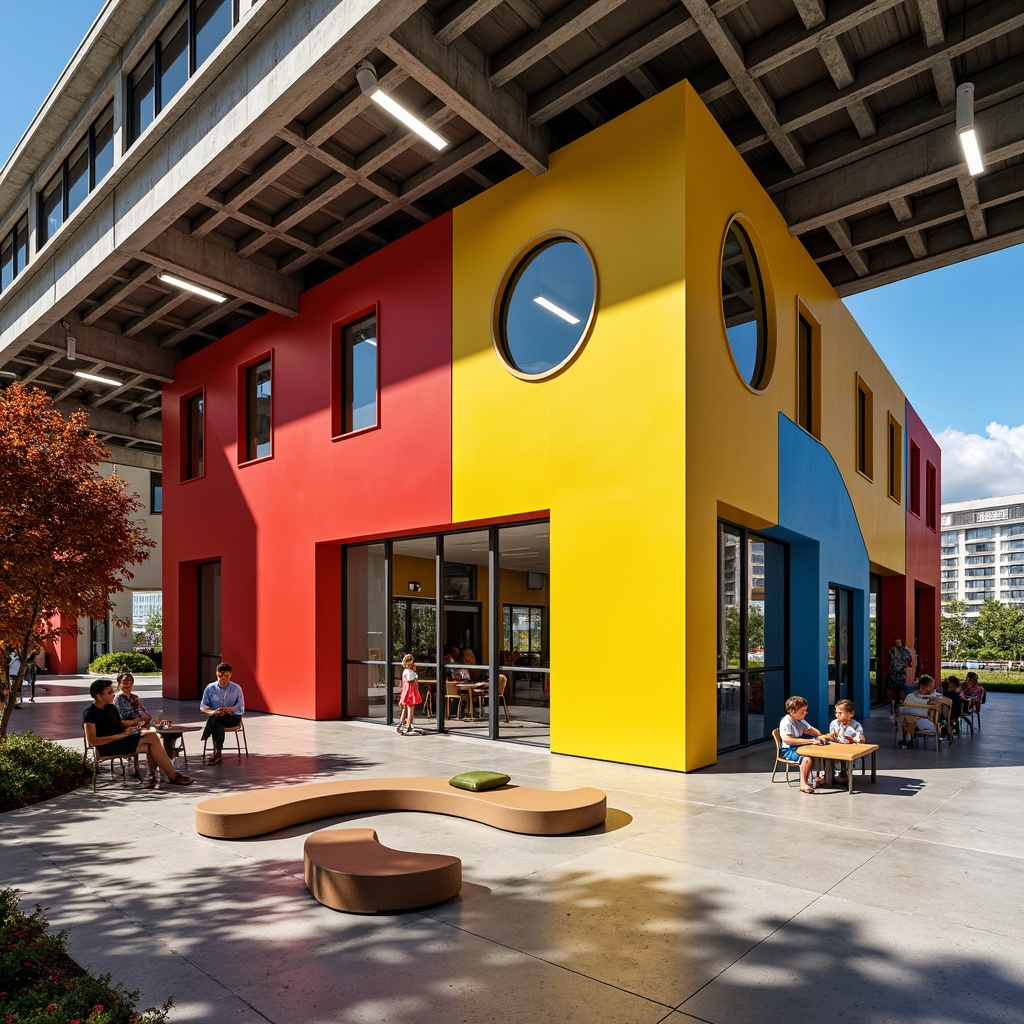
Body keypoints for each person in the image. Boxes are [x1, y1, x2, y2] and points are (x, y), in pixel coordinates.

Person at [83, 678, 192, 788]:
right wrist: (121, 735)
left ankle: (153, 777)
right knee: (152, 737)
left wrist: (135, 726)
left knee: (152, 744)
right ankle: (171, 776)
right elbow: (92, 741)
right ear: (99, 696)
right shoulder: (90, 714)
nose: (113, 694)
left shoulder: (110, 708)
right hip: (107, 746)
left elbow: (118, 724)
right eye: (110, 692)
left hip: (121, 740)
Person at [778, 695, 829, 794]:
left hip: (799, 747)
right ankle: (803, 783)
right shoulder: (786, 722)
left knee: (819, 752)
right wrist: (810, 741)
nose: (805, 713)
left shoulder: (800, 720)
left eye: (805, 710)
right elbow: (788, 740)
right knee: (806, 758)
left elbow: (816, 733)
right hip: (788, 750)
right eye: (802, 711)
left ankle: (818, 777)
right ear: (792, 711)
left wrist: (818, 736)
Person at [200, 662, 245, 765]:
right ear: (217, 674)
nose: (223, 679)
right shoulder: (210, 688)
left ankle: (206, 736)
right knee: (216, 718)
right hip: (217, 716)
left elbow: (241, 708)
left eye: (227, 676)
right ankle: (218, 752)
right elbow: (203, 707)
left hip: (232, 717)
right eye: (221, 676)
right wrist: (213, 711)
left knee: (215, 719)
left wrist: (228, 710)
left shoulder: (236, 688)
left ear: (230, 675)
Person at [898, 674, 951, 748]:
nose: (932, 688)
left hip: (922, 718)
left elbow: (943, 701)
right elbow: (907, 705)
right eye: (930, 686)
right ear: (922, 686)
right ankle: (937, 729)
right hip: (913, 718)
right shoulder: (911, 697)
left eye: (932, 686)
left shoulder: (930, 695)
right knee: (910, 714)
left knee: (919, 718)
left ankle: (938, 728)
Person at [828, 699, 865, 784]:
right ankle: (829, 774)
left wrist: (855, 738)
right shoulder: (834, 723)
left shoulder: (856, 725)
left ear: (851, 714)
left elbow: (862, 739)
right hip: (836, 749)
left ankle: (845, 773)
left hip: (850, 750)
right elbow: (832, 736)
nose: (837, 715)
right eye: (836, 713)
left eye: (840, 713)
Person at [397, 654, 421, 735]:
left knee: (405, 709)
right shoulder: (409, 672)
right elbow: (412, 679)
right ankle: (408, 726)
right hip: (410, 693)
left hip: (406, 692)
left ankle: (403, 724)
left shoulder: (405, 671)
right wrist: (415, 674)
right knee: (410, 710)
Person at [886, 638, 914, 702]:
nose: (898, 643)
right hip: (893, 670)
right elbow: (890, 659)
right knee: (893, 686)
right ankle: (894, 700)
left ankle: (901, 700)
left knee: (901, 686)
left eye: (899, 642)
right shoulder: (892, 650)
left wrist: (908, 664)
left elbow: (910, 659)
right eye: (896, 642)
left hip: (901, 670)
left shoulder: (906, 650)